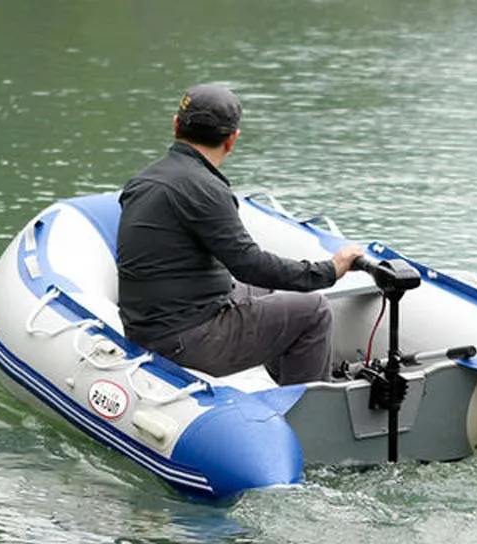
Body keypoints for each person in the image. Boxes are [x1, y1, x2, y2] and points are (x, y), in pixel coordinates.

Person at [116, 83, 363, 385]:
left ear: (176, 125)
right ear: (232, 139)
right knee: (314, 311)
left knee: (265, 290)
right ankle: (310, 407)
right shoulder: (205, 188)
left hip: (147, 328)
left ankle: (289, 381)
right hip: (183, 341)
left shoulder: (143, 180)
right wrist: (329, 270)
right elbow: (249, 264)